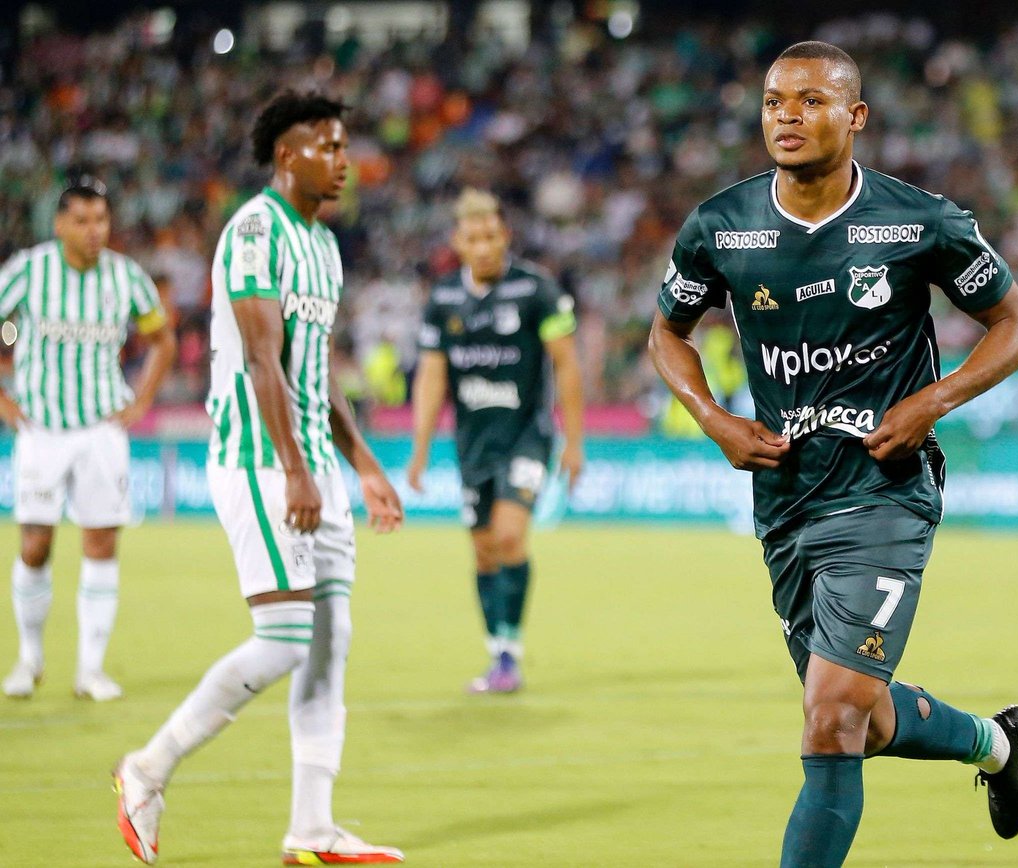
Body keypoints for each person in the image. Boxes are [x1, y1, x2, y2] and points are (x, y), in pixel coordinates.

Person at [648, 42, 1018, 867]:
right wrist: (711, 417)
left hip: (885, 494)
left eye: (810, 101)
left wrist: (930, 403)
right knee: (857, 721)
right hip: (786, 500)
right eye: (772, 101)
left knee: (830, 713)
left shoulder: (919, 222)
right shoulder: (722, 226)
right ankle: (996, 748)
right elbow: (667, 334)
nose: (786, 115)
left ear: (855, 116)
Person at [112, 91, 406, 865]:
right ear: (287, 154)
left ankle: (311, 828)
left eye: (346, 148)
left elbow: (317, 371)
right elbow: (261, 357)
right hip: (262, 463)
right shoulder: (254, 231)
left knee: (328, 644)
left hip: (314, 469)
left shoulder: (325, 247)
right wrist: (297, 469)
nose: (344, 161)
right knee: (281, 640)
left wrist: (365, 466)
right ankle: (148, 767)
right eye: (329, 147)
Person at [0, 177, 176, 702]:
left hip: (102, 428)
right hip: (42, 428)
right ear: (59, 224)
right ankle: (29, 659)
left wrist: (142, 399)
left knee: (101, 542)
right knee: (36, 544)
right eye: (82, 220)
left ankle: (90, 669)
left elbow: (162, 339)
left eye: (101, 219)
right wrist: (4, 401)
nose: (94, 230)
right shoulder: (29, 271)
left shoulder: (127, 278)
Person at [407, 188, 584, 693]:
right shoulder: (443, 299)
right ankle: (496, 652)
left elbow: (567, 365)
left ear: (504, 236)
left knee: (509, 536)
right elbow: (431, 377)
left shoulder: (536, 290)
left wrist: (574, 442)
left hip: (527, 434)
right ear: (457, 243)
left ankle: (511, 654)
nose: (484, 247)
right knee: (483, 551)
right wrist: (419, 449)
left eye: (491, 236)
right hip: (473, 444)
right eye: (473, 238)